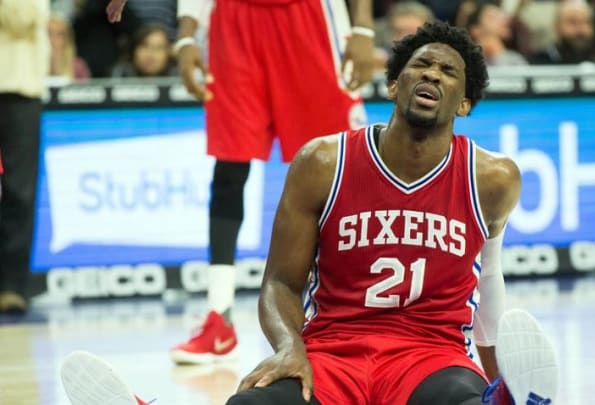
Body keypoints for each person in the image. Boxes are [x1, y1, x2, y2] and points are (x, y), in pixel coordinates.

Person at [61, 21, 558, 405]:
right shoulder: (324, 162)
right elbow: (279, 283)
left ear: (465, 102)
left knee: (459, 401)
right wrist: (287, 345)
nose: (432, 74)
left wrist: (495, 371)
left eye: (449, 72)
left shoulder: (491, 178)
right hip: (333, 350)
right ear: (393, 84)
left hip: (429, 355)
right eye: (421, 65)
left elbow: (487, 279)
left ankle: (503, 397)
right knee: (250, 402)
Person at [106, 0, 375, 364]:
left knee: (338, 165)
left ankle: (357, 315)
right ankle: (220, 318)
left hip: (308, 16)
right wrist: (186, 36)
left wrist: (362, 28)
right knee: (229, 167)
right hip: (234, 21)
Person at [0, 0, 49, 314]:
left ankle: (11, 286)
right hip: (9, 88)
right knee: (17, 192)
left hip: (23, 91)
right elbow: (21, 17)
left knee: (19, 192)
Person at [529, 0, 595, 65]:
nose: (581, 29)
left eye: (586, 22)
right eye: (573, 22)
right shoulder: (538, 65)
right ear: (556, 27)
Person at [111, 24, 175, 77]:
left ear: (169, 52)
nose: (150, 54)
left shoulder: (180, 78)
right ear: (133, 50)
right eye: (144, 46)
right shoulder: (119, 75)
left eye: (158, 48)